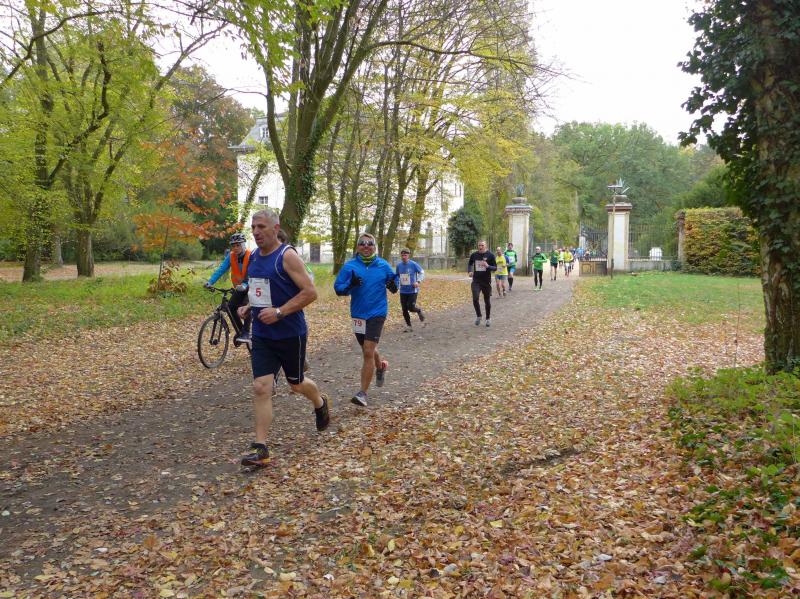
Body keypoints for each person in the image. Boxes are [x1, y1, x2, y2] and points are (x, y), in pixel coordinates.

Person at [236, 209, 330, 469]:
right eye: (253, 227)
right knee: (261, 387)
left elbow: (310, 292)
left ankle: (320, 402)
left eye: (261, 227)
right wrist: (250, 307)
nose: (256, 232)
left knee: (296, 385)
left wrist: (279, 312)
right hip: (263, 335)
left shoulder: (287, 256)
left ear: (275, 229)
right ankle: (261, 448)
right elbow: (260, 291)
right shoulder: (254, 257)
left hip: (290, 333)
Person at [334, 232, 398, 407]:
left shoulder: (383, 265)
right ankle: (380, 366)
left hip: (377, 312)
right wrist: (350, 285)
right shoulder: (350, 266)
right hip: (358, 314)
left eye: (370, 243)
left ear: (374, 247)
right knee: (367, 348)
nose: (366, 246)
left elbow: (394, 283)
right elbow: (338, 288)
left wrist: (394, 286)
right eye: (362, 243)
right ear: (357, 247)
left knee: (368, 350)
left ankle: (362, 393)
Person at [205, 232, 252, 345]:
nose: (235, 248)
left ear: (243, 244)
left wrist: (245, 284)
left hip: (251, 287)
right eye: (233, 245)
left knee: (247, 308)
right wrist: (210, 282)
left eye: (238, 245)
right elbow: (221, 269)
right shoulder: (231, 256)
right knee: (231, 307)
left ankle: (246, 332)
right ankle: (241, 331)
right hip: (239, 288)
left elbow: (251, 272)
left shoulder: (250, 256)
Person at [395, 248, 426, 332]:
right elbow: (397, 276)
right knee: (404, 309)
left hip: (412, 290)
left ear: (408, 255)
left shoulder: (413, 264)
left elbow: (422, 272)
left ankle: (418, 311)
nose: (403, 257)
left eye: (405, 255)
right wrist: (396, 284)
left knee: (411, 307)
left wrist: (418, 281)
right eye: (402, 255)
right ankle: (409, 326)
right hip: (403, 291)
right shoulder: (399, 266)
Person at [467, 240, 497, 327]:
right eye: (479, 245)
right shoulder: (474, 255)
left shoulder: (490, 255)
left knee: (487, 301)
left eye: (482, 245)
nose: (480, 247)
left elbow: (495, 268)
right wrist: (470, 271)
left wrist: (488, 266)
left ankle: (488, 318)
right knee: (475, 298)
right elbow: (470, 263)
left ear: (485, 246)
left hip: (486, 281)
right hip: (476, 281)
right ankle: (479, 316)